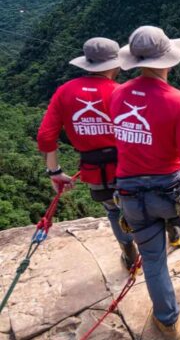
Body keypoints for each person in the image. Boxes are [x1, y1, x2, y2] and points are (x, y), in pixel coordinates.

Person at [110, 26, 180, 339]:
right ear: (168, 61)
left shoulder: (117, 94)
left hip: (130, 194)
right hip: (171, 189)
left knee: (154, 259)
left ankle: (168, 321)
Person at [36, 37, 140, 270]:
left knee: (113, 210)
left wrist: (55, 171)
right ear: (116, 64)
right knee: (138, 204)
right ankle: (155, 244)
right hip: (129, 164)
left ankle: (129, 254)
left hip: (94, 170)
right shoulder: (122, 91)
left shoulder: (65, 91)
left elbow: (45, 137)